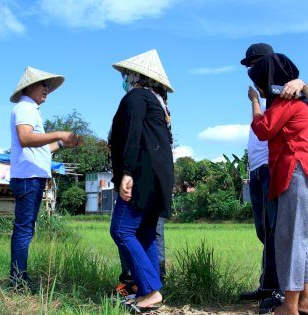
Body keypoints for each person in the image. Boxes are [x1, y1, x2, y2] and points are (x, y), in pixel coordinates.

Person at [239, 43, 308, 314]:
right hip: (293, 171)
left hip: (296, 171)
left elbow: (263, 129)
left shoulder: (287, 98)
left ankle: (290, 304)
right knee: (293, 237)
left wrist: (255, 104)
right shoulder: (286, 99)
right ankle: (306, 302)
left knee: (289, 238)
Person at [109, 49, 174, 313]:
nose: (124, 78)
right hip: (158, 176)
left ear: (137, 75)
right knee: (146, 234)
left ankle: (151, 290)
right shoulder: (158, 102)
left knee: (121, 230)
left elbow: (133, 134)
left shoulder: (136, 96)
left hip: (141, 174)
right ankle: (149, 291)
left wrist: (127, 172)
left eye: (126, 74)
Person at [9, 66, 81, 290]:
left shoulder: (31, 110)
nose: (47, 90)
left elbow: (39, 148)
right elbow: (25, 138)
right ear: (29, 86)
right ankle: (18, 280)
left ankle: (18, 277)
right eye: (43, 85)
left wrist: (61, 143)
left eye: (48, 86)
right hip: (28, 178)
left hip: (31, 176)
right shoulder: (25, 108)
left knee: (26, 227)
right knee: (24, 229)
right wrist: (59, 133)